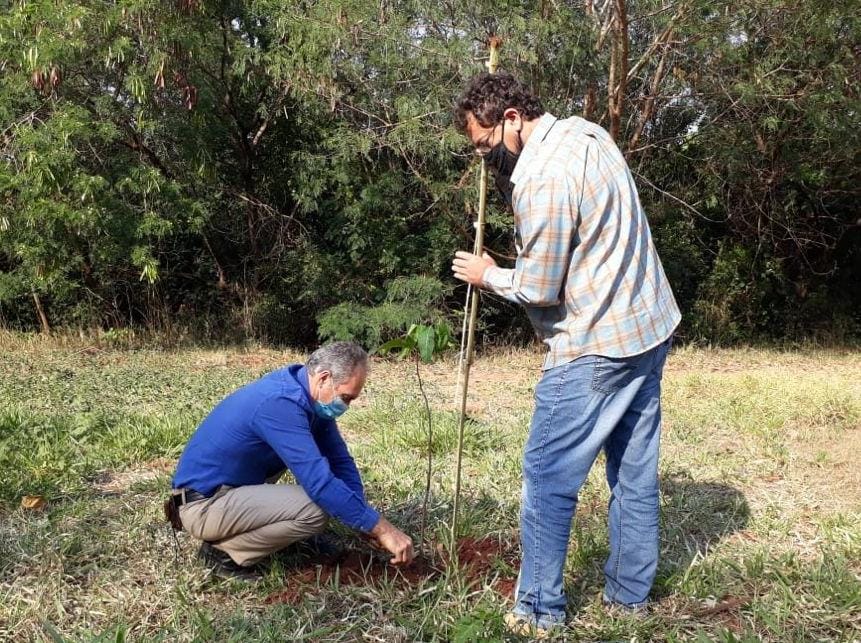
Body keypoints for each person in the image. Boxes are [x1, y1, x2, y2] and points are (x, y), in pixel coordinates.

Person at [451, 72, 681, 637]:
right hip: (647, 329)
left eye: (484, 147)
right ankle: (629, 599)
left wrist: (487, 275)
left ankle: (538, 609)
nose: (486, 161)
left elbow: (541, 286)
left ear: (511, 119)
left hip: (593, 346)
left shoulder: (543, 178)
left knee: (547, 478)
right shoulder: (584, 133)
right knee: (633, 475)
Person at [167, 341, 414, 579]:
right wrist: (381, 528)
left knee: (324, 499)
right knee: (316, 508)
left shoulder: (308, 398)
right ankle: (224, 554)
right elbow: (320, 483)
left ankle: (283, 537)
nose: (346, 406)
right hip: (204, 505)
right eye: (346, 398)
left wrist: (362, 518)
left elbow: (340, 461)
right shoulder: (280, 404)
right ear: (324, 378)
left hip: (232, 490)